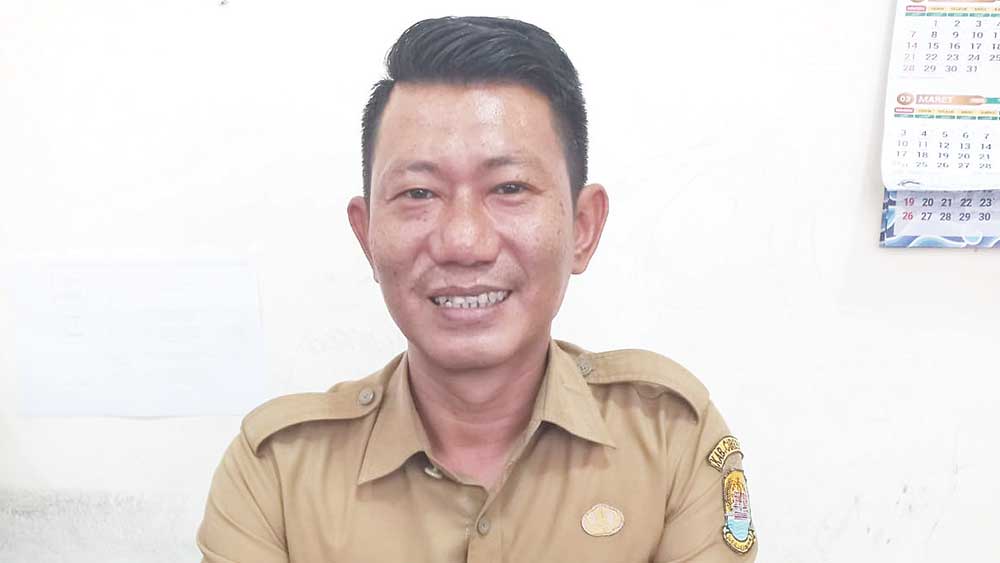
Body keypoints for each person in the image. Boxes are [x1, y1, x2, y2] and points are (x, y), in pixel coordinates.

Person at [197, 16, 757, 562]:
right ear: (366, 236)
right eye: (418, 193)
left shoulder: (670, 439)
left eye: (509, 187)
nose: (463, 242)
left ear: (583, 227)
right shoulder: (277, 475)